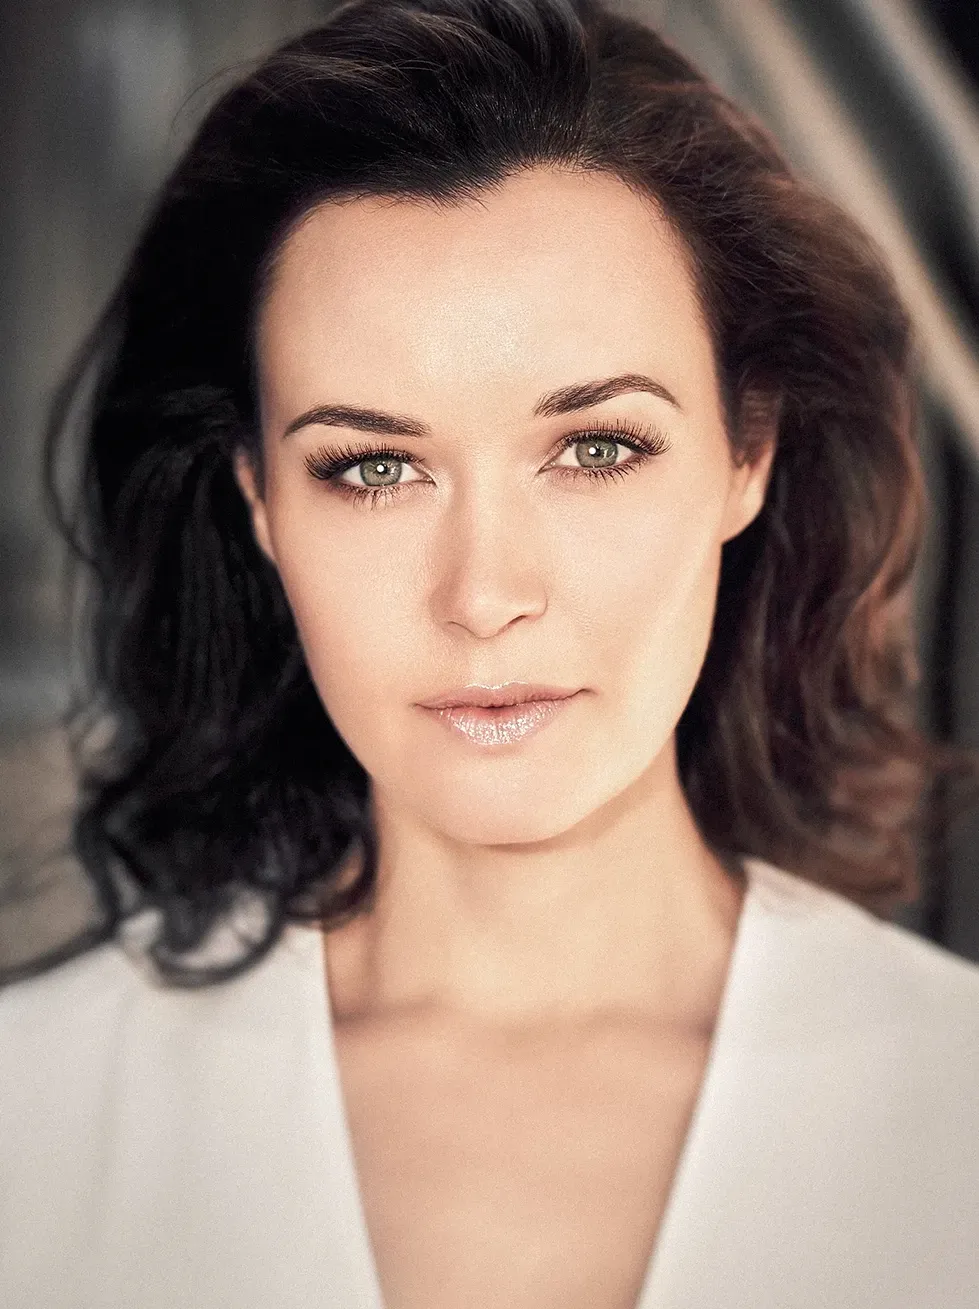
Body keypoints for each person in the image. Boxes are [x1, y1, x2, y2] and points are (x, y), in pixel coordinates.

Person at [2, 0, 978, 1305]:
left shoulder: (949, 1102)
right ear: (256, 502)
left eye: (594, 448)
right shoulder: (35, 1117)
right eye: (372, 467)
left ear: (746, 455)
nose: (483, 594)